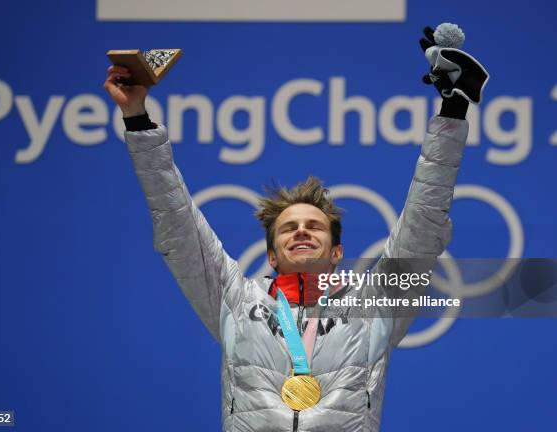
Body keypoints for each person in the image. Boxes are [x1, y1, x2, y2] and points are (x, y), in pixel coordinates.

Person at [104, 26, 487, 432]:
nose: (301, 232)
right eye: (288, 229)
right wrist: (136, 117)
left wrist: (453, 110)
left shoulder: (375, 304)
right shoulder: (233, 299)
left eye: (314, 227)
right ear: (271, 255)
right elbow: (175, 219)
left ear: (337, 252)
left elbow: (424, 220)